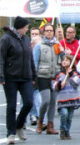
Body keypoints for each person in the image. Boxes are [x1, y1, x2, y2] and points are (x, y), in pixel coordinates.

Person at [0, 16, 36, 144]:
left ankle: (19, 125)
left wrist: (33, 75)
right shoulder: (6, 39)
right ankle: (11, 134)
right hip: (10, 77)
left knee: (28, 102)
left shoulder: (26, 39)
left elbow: (30, 58)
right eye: (26, 27)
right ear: (20, 27)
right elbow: (1, 58)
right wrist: (1, 75)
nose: (27, 30)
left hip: (25, 76)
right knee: (11, 106)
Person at [33, 24, 64, 135]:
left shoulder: (57, 44)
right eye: (47, 30)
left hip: (54, 76)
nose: (49, 32)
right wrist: (34, 77)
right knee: (45, 101)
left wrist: (62, 52)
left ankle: (50, 125)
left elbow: (63, 59)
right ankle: (40, 121)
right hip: (42, 76)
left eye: (51, 30)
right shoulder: (39, 45)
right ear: (43, 32)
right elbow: (35, 62)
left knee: (52, 102)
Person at [54, 55, 80, 140]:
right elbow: (53, 84)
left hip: (72, 98)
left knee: (69, 117)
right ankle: (62, 129)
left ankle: (67, 131)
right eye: (63, 60)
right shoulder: (59, 74)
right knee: (64, 114)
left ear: (71, 62)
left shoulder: (75, 73)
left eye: (67, 60)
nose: (64, 62)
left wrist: (71, 75)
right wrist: (59, 84)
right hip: (62, 99)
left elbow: (77, 82)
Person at [29, 27, 42, 126]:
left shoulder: (41, 47)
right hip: (27, 76)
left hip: (40, 75)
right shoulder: (26, 46)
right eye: (32, 34)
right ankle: (32, 115)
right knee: (28, 98)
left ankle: (39, 116)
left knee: (38, 98)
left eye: (36, 34)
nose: (34, 36)